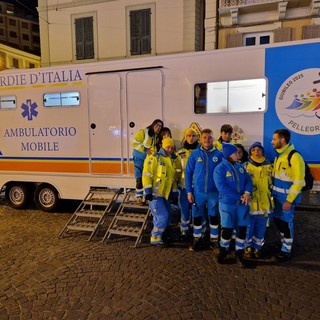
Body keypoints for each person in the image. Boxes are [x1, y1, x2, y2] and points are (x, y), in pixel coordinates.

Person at [214, 142, 253, 267]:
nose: (238, 154)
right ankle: (223, 251)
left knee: (242, 230)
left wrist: (247, 192)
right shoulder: (220, 169)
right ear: (229, 155)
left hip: (242, 204)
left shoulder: (240, 166)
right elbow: (222, 188)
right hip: (227, 204)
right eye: (236, 152)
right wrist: (240, 197)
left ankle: (239, 254)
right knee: (227, 230)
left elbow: (248, 180)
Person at [185, 128, 223, 251]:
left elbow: (224, 174)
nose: (207, 140)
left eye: (210, 137)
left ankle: (214, 240)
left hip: (214, 193)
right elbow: (188, 173)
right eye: (204, 137)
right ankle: (197, 239)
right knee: (197, 217)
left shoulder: (219, 154)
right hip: (198, 193)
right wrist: (189, 191)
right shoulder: (195, 154)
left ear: (213, 139)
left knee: (213, 217)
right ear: (201, 139)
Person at [271, 129, 305, 261]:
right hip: (277, 199)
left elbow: (299, 182)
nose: (272, 141)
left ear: (282, 140)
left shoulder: (295, 157)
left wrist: (289, 201)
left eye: (274, 139)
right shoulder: (279, 155)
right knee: (278, 221)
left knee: (286, 223)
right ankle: (283, 242)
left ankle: (286, 250)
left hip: (286, 200)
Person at [142, 137, 181, 245]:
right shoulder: (154, 158)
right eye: (168, 147)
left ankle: (161, 236)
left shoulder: (172, 160)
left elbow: (173, 179)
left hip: (166, 195)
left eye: (172, 148)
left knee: (165, 216)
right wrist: (148, 191)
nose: (170, 149)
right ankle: (155, 238)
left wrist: (173, 193)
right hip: (155, 194)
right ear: (163, 147)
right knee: (162, 216)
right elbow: (146, 175)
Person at [244, 141, 273, 259]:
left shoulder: (269, 166)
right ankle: (247, 246)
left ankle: (257, 247)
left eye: (259, 150)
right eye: (254, 150)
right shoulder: (245, 166)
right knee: (248, 226)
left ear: (263, 152)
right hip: (250, 203)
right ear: (250, 152)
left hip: (264, 203)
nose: (256, 152)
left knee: (261, 227)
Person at [131, 119, 163, 202]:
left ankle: (145, 196)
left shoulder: (156, 136)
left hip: (148, 159)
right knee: (139, 178)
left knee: (146, 177)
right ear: (153, 124)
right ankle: (139, 197)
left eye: (160, 126)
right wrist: (145, 150)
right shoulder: (143, 132)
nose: (158, 127)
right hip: (138, 157)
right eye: (157, 125)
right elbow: (134, 143)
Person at [177, 128, 200, 240]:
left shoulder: (201, 151)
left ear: (197, 137)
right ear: (185, 137)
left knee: (198, 210)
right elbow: (177, 169)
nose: (191, 138)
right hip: (184, 187)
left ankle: (198, 232)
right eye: (188, 135)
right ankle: (184, 231)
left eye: (193, 135)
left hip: (198, 187)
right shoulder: (180, 152)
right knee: (184, 210)